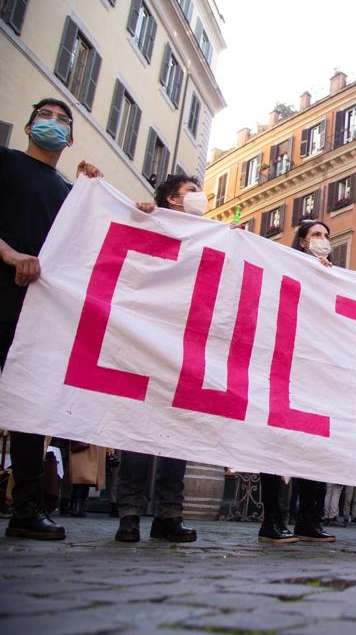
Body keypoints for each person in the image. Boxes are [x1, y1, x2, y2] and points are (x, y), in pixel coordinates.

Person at [2, 98, 102, 540]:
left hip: (36, 313)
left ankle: (26, 506)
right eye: (46, 115)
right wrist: (8, 253)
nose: (54, 124)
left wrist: (96, 194)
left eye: (64, 120)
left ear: (71, 138)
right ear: (28, 125)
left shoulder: (67, 191)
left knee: (28, 410)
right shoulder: (5, 162)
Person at [115, 174, 212, 543]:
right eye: (192, 193)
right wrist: (139, 215)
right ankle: (129, 514)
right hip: (144, 338)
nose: (199, 198)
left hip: (184, 345)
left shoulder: (207, 234)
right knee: (137, 431)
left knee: (176, 432)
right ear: (172, 199)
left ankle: (169, 515)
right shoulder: (150, 220)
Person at [257, 220, 337, 543]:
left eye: (326, 236)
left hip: (316, 373)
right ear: (302, 242)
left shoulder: (332, 275)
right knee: (276, 445)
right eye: (316, 235)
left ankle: (309, 521)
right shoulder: (284, 266)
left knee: (315, 447)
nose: (323, 240)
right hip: (282, 368)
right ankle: (272, 521)